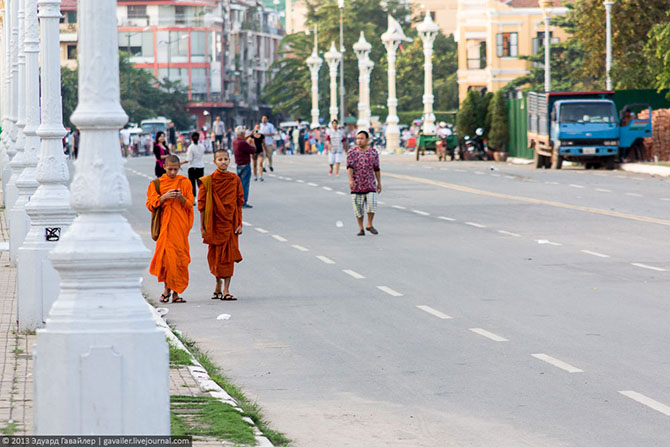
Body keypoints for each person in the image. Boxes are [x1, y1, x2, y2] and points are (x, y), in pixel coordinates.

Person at [146, 155, 194, 304]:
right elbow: (150, 204)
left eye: (175, 169)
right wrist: (164, 197)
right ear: (164, 167)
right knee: (167, 260)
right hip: (164, 229)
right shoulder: (156, 184)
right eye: (170, 169)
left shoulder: (184, 182)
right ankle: (167, 290)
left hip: (179, 228)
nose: (173, 172)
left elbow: (190, 202)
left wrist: (181, 198)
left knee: (179, 259)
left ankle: (176, 293)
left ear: (179, 168)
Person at [198, 150, 245, 301]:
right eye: (220, 159)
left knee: (228, 257)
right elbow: (202, 206)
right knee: (215, 258)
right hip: (214, 225)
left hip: (230, 224)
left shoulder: (234, 179)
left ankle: (226, 290)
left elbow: (239, 203)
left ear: (229, 160)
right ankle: (218, 285)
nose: (223, 162)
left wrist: (239, 223)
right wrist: (202, 227)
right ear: (214, 162)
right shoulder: (208, 181)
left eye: (225, 159)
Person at [347, 130, 382, 236]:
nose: (359, 141)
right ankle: (361, 228)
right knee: (358, 208)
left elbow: (376, 168)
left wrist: (379, 183)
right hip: (357, 184)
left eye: (361, 138)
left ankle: (369, 224)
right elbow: (350, 167)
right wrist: (351, 180)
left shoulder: (373, 152)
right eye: (357, 138)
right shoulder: (352, 152)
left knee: (372, 204)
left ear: (367, 140)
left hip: (370, 183)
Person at [232, 126, 257, 208]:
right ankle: (243, 202)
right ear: (242, 133)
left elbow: (242, 140)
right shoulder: (243, 143)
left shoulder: (235, 141)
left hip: (238, 165)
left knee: (239, 185)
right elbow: (253, 150)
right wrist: (253, 143)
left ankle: (238, 201)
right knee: (245, 185)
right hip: (245, 165)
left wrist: (249, 135)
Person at [181, 132, 206, 200]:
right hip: (200, 166)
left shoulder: (190, 147)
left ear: (191, 138)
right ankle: (202, 198)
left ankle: (193, 198)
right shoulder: (202, 146)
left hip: (192, 167)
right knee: (200, 184)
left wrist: (181, 163)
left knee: (192, 184)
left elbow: (189, 159)